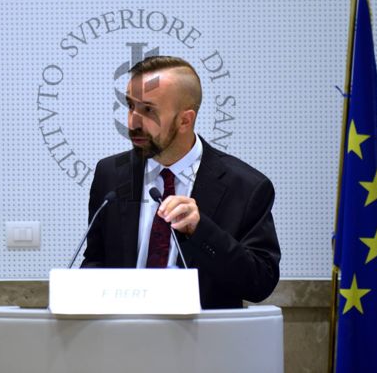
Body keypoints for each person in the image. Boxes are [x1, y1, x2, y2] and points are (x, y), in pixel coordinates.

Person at [81, 55, 281, 309]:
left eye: (148, 111)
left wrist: (202, 231)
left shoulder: (246, 186)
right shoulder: (111, 173)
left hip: (201, 341)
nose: (132, 122)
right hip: (122, 336)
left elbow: (260, 283)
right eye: (131, 106)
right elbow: (97, 259)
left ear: (185, 120)